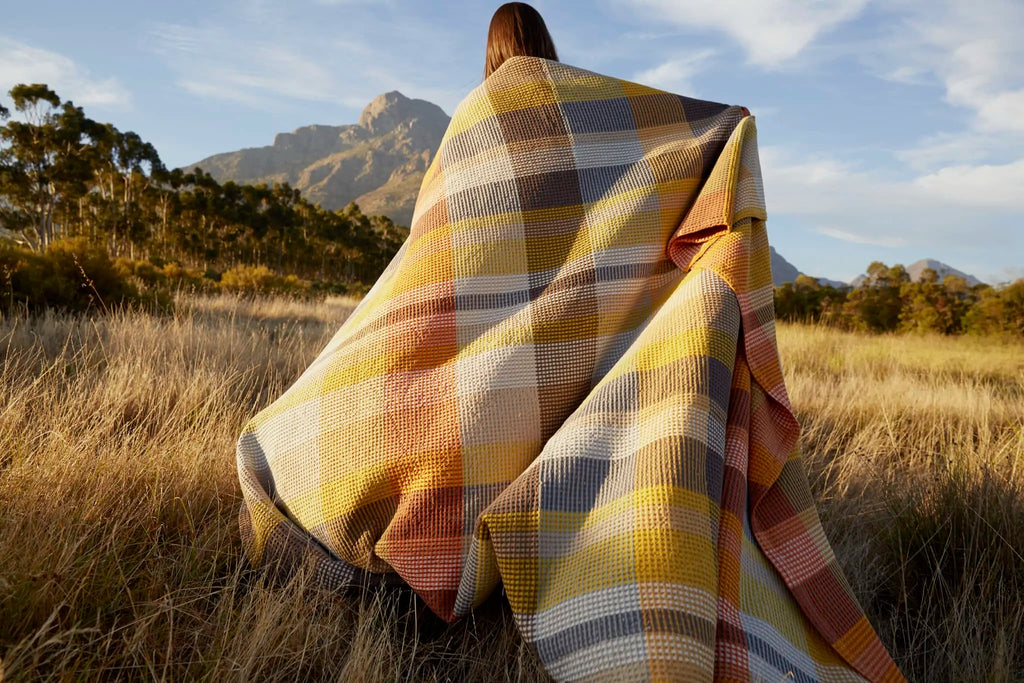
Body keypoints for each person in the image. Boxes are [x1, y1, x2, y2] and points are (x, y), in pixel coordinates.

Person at [236, 4, 902, 681]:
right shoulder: (581, 129)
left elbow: (427, 275)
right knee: (532, 397)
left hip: (309, 517)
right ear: (548, 50)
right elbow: (644, 184)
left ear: (490, 53)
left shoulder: (471, 128)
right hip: (421, 576)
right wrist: (721, 135)